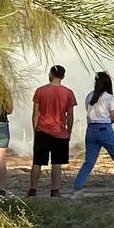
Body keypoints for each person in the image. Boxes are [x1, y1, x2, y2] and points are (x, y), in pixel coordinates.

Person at [72, 71, 114, 195]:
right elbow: (113, 117)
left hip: (91, 130)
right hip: (104, 129)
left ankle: (78, 187)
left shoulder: (89, 96)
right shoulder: (110, 98)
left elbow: (88, 110)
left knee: (89, 162)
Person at [28, 65, 77, 198]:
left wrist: (35, 129)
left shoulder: (40, 91)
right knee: (57, 163)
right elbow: (70, 115)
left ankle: (33, 189)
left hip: (42, 130)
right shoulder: (68, 92)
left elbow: (35, 114)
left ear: (50, 74)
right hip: (60, 132)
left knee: (37, 162)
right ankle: (55, 191)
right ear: (63, 76)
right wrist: (69, 131)